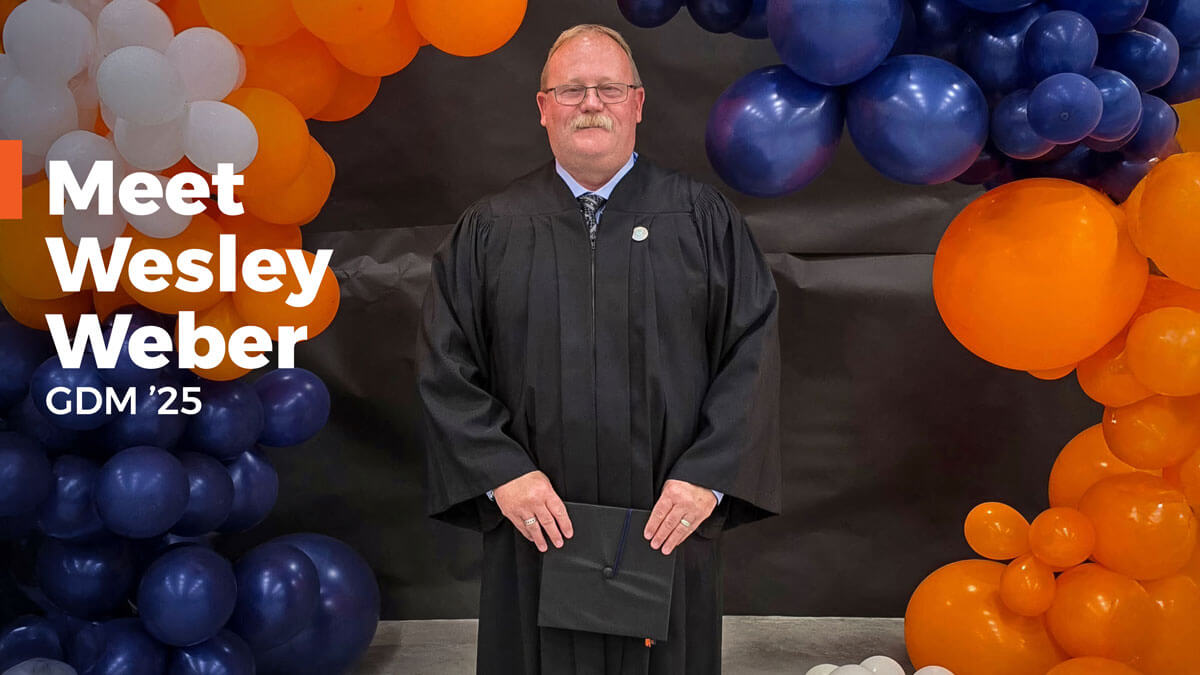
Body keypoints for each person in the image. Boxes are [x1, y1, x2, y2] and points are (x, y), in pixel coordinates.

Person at [418, 23, 781, 675]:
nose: (591, 102)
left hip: (665, 520)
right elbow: (446, 364)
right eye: (572, 88)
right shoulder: (491, 228)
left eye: (609, 88)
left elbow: (750, 353)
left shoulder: (702, 220)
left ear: (637, 103)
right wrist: (500, 472)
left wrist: (709, 475)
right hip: (538, 524)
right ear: (542, 107)